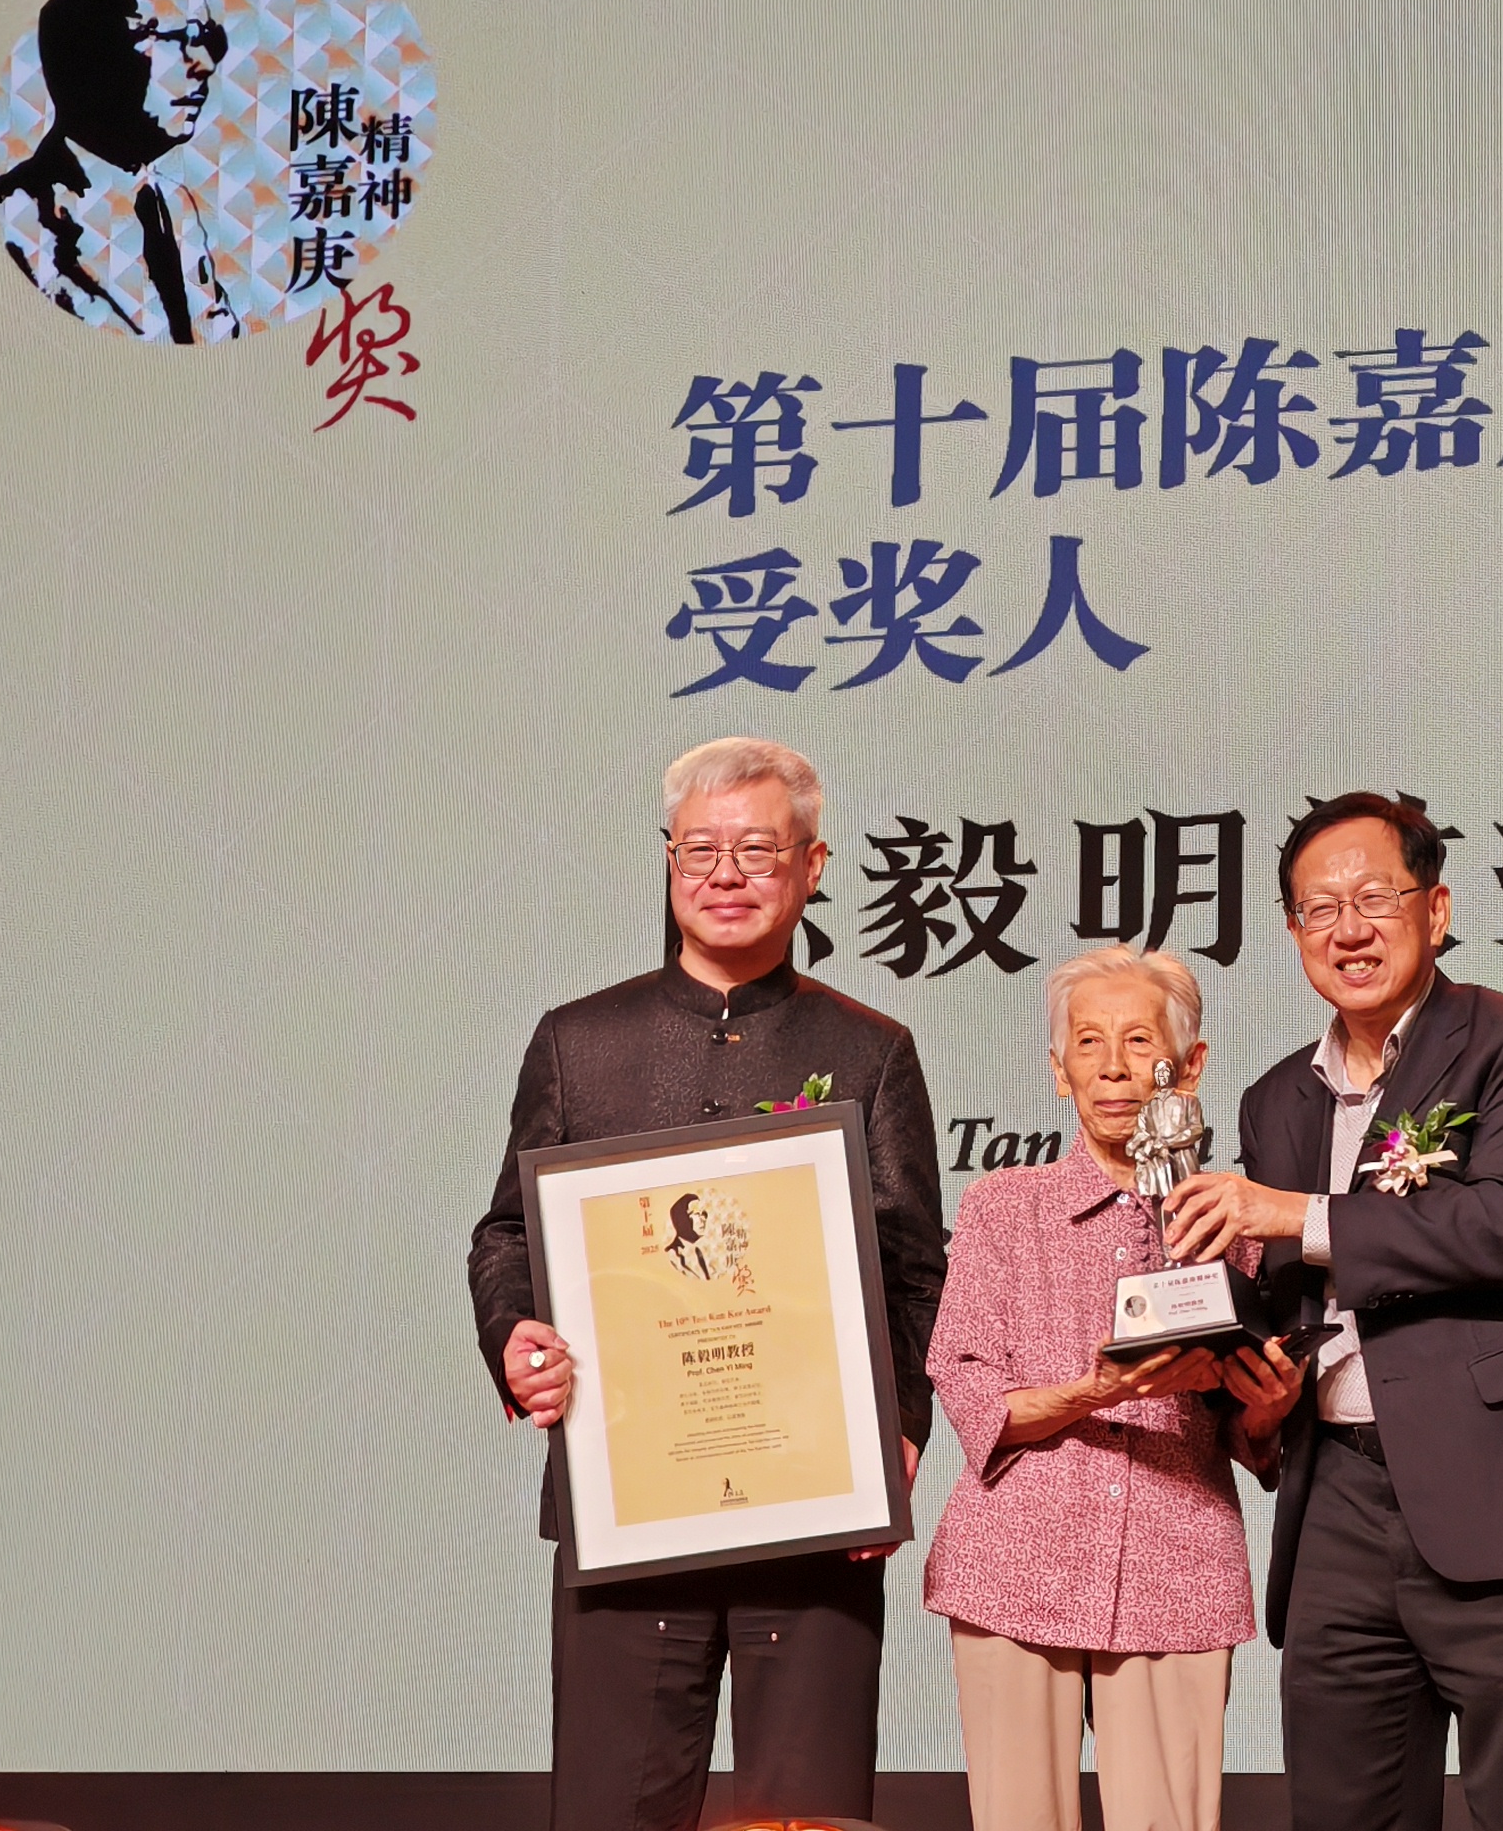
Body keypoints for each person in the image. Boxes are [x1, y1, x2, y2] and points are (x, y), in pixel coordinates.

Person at [465, 736, 946, 1831]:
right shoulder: (578, 1041)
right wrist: (513, 1339)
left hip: (815, 1512)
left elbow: (918, 1272)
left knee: (806, 1819)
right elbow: (508, 1234)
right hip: (627, 1504)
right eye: (700, 850)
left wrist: (899, 1432)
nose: (725, 874)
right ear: (668, 859)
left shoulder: (868, 1050)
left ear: (813, 866)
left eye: (758, 850)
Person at [1165, 793, 1503, 1831]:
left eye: (1373, 898)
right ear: (1292, 933)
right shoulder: (1272, 1100)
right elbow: (1285, 1293)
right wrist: (1249, 1395)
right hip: (1337, 1499)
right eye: (1316, 908)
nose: (1347, 928)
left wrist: (1291, 1212)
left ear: (1434, 910)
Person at [925, 944, 1306, 1831]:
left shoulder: (1235, 1217)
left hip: (1179, 1560)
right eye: (1088, 1045)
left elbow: (1254, 1440)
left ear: (1191, 1062)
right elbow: (970, 1393)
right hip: (1013, 1566)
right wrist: (1093, 1391)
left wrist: (1269, 1407)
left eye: (1139, 1042)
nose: (1114, 1068)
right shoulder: (1000, 1207)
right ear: (1059, 1072)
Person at [0, 0, 243, 342]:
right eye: (176, 36)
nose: (204, 65)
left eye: (208, 38)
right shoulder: (13, 220)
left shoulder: (172, 203)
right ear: (97, 52)